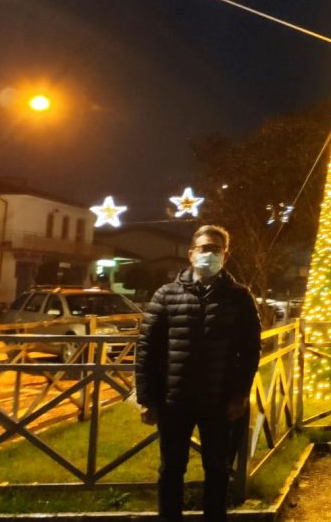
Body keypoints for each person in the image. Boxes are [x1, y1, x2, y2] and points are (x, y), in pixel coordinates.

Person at [135, 224, 261, 522]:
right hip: (173, 402)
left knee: (217, 470)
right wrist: (146, 398)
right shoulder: (166, 295)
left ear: (225, 256)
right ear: (191, 254)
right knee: (170, 470)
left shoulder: (239, 297)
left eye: (216, 249)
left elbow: (250, 351)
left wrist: (240, 395)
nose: (210, 254)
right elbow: (147, 349)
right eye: (205, 248)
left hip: (219, 404)